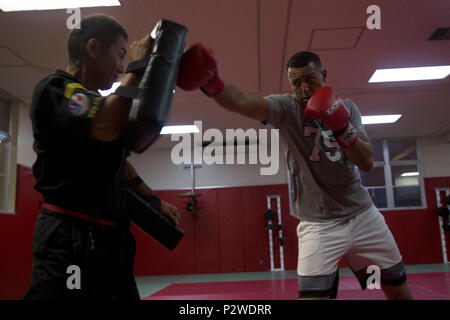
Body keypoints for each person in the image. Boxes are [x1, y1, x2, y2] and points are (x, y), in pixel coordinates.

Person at [177, 44, 413, 300]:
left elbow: (366, 162)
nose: (304, 89)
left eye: (310, 79)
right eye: (296, 83)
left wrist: (339, 124)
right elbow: (243, 102)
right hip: (318, 225)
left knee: (397, 289)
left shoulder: (348, 108)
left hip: (364, 217)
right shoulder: (286, 109)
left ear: (324, 73)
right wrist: (214, 84)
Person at [24, 14, 180, 300]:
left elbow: (119, 161)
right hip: (68, 239)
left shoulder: (99, 102)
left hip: (109, 241)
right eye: (120, 55)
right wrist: (136, 66)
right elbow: (106, 126)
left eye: (125, 58)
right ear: (93, 48)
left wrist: (154, 200)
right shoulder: (56, 89)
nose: (122, 66)